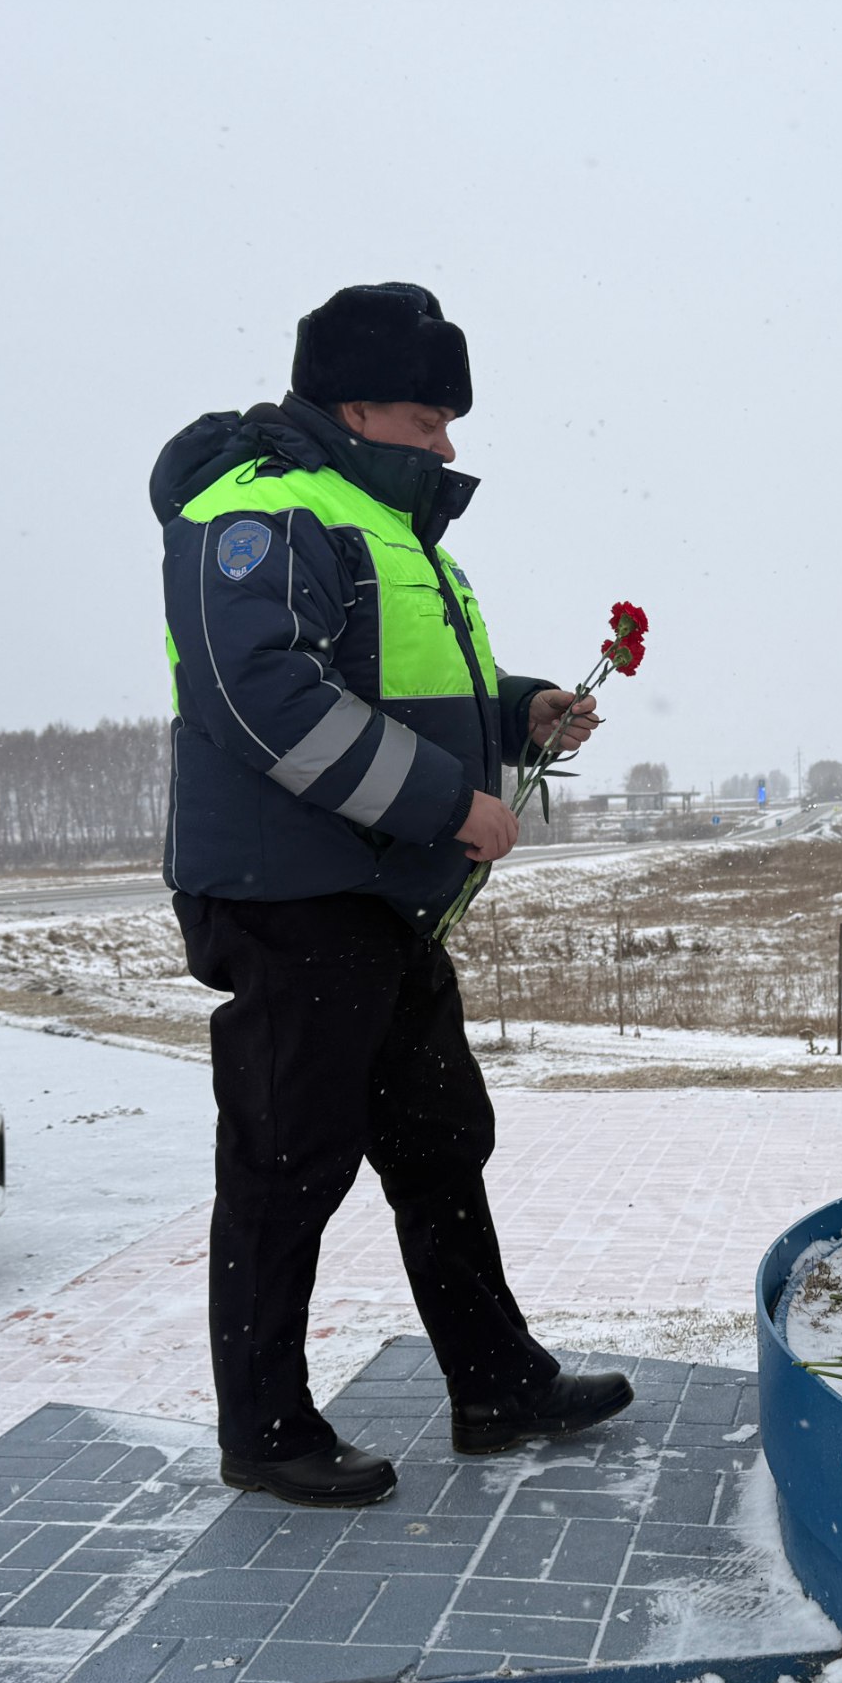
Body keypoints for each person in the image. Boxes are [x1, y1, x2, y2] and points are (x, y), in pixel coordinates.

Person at [148, 282, 633, 1508]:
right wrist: (445, 803)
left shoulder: (382, 525)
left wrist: (517, 708)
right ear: (354, 404)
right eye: (428, 418)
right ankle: (264, 1428)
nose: (448, 444)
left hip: (377, 901)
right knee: (285, 1164)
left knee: (437, 1144)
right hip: (288, 896)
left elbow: (393, 686)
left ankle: (495, 1385)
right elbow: (261, 696)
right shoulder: (253, 514)